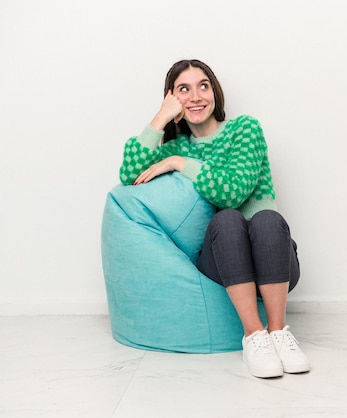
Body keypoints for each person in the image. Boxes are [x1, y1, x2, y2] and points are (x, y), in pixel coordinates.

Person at [118, 59, 310, 378]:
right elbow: (127, 173)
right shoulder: (175, 145)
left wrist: (182, 163)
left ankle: (279, 332)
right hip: (222, 263)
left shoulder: (244, 129)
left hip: (274, 258)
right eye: (184, 89)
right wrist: (161, 117)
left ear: (215, 93)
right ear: (172, 97)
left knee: (264, 219)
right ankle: (254, 336)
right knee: (226, 221)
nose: (195, 96)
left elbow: (232, 191)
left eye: (203, 86)